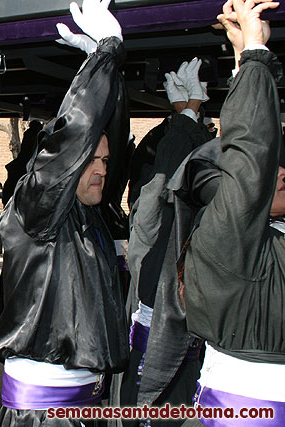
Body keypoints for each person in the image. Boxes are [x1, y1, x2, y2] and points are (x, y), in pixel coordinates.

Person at [0, 1, 129, 426]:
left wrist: (100, 69)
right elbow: (74, 136)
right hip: (45, 413)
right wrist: (107, 52)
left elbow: (110, 130)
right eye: (92, 160)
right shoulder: (37, 213)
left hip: (89, 404)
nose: (103, 169)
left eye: (106, 161)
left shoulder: (91, 218)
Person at [182, 0, 285, 424]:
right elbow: (250, 151)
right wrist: (255, 59)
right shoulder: (229, 242)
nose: (279, 172)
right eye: (270, 169)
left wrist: (247, 62)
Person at [119, 59, 213, 426]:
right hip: (156, 345)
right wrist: (186, 116)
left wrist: (188, 115)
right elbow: (174, 172)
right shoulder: (160, 211)